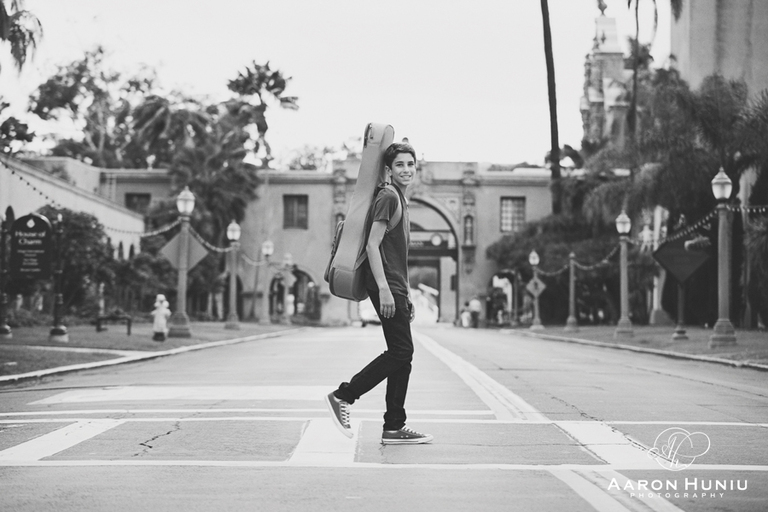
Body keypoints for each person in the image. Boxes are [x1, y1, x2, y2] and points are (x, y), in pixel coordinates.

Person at [325, 141, 433, 445]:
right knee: (401, 352)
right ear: (388, 170)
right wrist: (385, 290)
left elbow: (397, 254)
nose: (406, 170)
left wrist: (407, 291)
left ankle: (394, 426)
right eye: (399, 165)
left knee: (403, 357)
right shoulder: (388, 196)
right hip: (385, 285)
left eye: (410, 164)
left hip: (395, 286)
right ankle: (343, 396)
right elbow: (373, 245)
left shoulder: (399, 198)